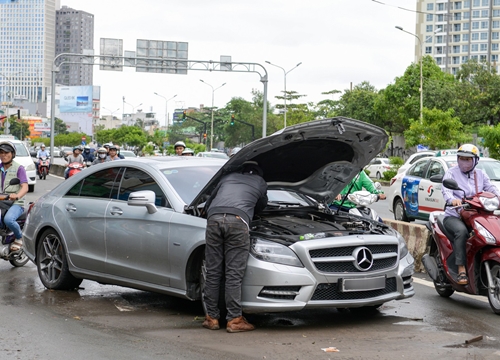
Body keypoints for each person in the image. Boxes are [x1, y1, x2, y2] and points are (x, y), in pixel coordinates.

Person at [202, 161, 268, 333]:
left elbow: (209, 202)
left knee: (213, 271)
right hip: (238, 222)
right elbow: (261, 206)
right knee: (233, 273)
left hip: (214, 219)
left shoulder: (228, 177)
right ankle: (234, 319)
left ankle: (211, 318)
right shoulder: (260, 182)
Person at [442, 144, 500, 285]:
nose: (465, 162)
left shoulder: (480, 174)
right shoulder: (451, 173)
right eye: (462, 158)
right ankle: (461, 269)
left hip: (477, 215)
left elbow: (491, 188)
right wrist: (452, 200)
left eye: (468, 159)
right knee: (461, 232)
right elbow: (446, 190)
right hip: (454, 215)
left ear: (475, 160)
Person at [0, 141, 28, 252]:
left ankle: (19, 237)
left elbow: (25, 187)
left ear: (12, 154)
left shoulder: (19, 168)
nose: (4, 155)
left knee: (8, 220)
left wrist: (16, 196)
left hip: (16, 203)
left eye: (7, 152)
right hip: (2, 201)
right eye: (1, 152)